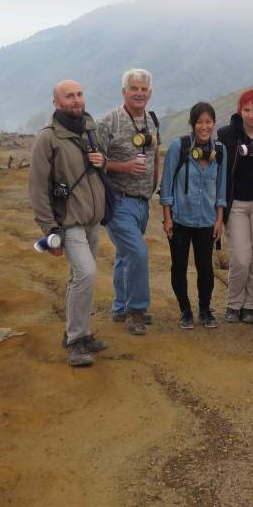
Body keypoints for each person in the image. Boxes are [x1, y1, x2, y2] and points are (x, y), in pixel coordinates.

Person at [28, 79, 108, 367]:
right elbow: (37, 189)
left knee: (79, 277)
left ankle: (80, 333)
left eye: (79, 94)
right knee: (86, 274)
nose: (76, 100)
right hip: (69, 221)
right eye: (69, 96)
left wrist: (102, 161)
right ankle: (76, 342)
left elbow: (100, 169)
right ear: (56, 103)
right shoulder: (47, 139)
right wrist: (49, 230)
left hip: (92, 220)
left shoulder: (90, 128)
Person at [96, 68, 160, 336]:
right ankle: (136, 311)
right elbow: (94, 162)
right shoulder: (109, 122)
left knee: (125, 255)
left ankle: (120, 308)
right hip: (118, 202)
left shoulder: (152, 120)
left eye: (143, 89)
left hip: (143, 202)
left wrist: (153, 187)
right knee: (137, 252)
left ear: (150, 93)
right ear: (124, 91)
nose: (139, 93)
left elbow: (155, 155)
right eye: (134, 88)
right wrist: (123, 167)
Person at [160, 102, 228, 329]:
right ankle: (185, 311)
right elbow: (167, 185)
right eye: (199, 122)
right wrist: (167, 218)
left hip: (207, 219)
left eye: (208, 122)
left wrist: (219, 219)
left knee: (206, 268)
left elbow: (221, 188)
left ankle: (205, 310)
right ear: (192, 123)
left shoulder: (220, 151)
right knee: (179, 266)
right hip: (180, 219)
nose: (204, 126)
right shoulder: (179, 147)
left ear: (214, 123)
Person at [216, 89, 253, 324]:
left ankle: (250, 306)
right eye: (247, 110)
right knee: (241, 257)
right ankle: (233, 304)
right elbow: (218, 170)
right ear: (239, 110)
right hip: (236, 205)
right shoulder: (226, 135)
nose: (251, 114)